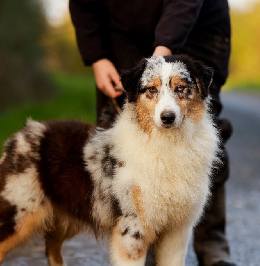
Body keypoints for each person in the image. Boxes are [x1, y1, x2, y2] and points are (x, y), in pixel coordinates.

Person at [69, 0, 235, 265]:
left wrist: (163, 53)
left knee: (199, 126)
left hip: (198, 24)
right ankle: (139, 234)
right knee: (118, 129)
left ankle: (211, 240)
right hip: (120, 28)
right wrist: (96, 56)